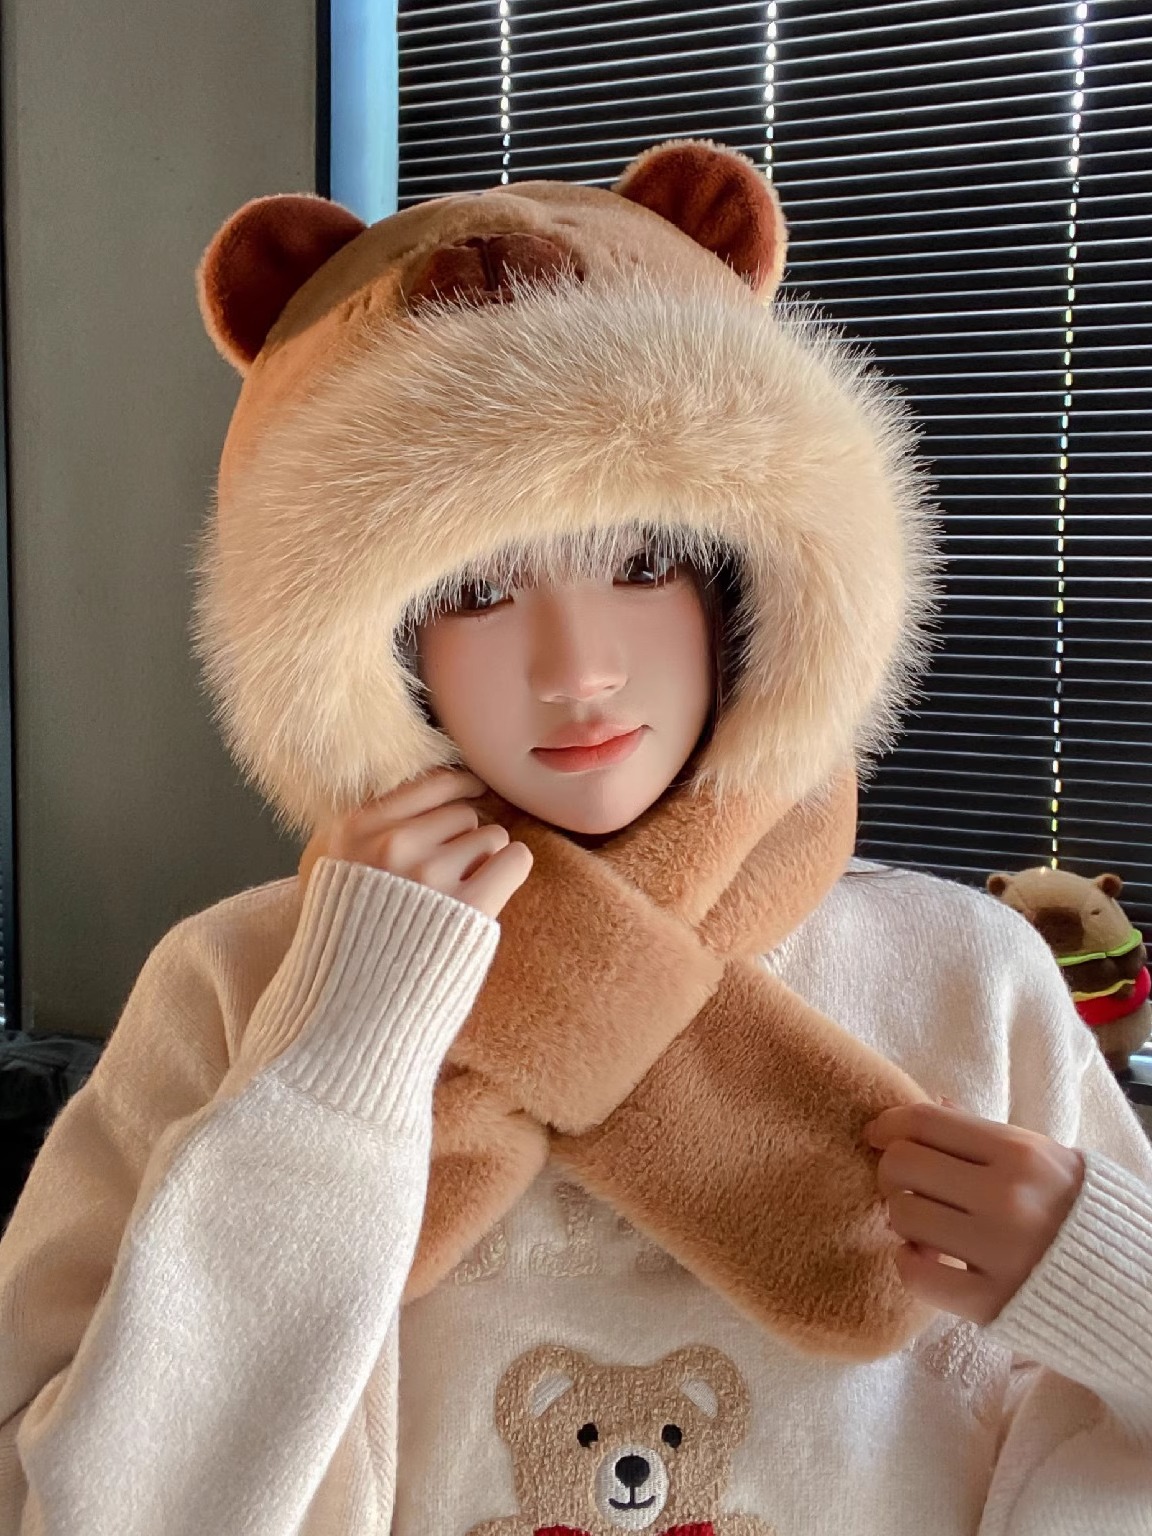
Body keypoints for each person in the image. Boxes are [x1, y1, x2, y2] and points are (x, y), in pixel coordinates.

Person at [0, 138, 1149, 1536]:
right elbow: (65, 1506)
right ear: (377, 645)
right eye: (477, 589)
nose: (578, 669)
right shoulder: (237, 984)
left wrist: (1118, 1294)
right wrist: (336, 1059)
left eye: (644, 563)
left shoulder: (966, 978)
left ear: (750, 585)